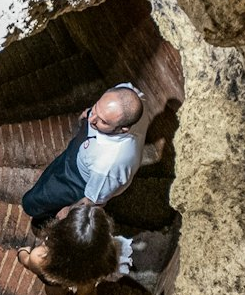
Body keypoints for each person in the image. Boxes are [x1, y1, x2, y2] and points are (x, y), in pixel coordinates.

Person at [20, 83, 149, 228]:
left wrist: (69, 211)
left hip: (77, 180)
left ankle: (39, 211)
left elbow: (92, 200)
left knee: (32, 202)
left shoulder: (108, 165)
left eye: (103, 121)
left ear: (123, 129)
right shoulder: (130, 94)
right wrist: (90, 111)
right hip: (79, 155)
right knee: (52, 172)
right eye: (96, 109)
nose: (92, 119)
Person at [16, 203, 133, 295]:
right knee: (85, 290)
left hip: (58, 275)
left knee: (54, 293)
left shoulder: (41, 257)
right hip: (89, 272)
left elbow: (26, 259)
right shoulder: (100, 258)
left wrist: (23, 253)